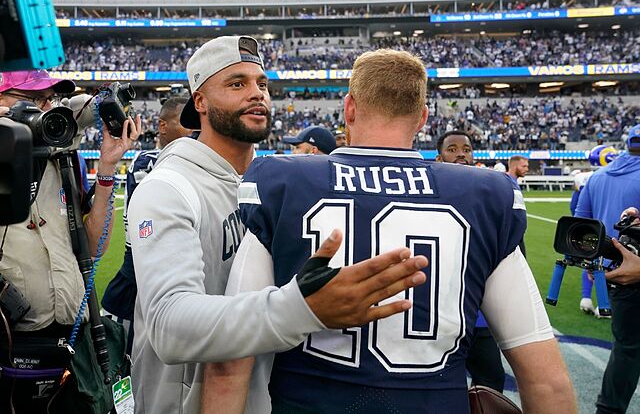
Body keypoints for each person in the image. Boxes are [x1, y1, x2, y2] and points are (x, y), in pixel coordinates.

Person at [207, 49, 576, 413]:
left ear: (349, 109)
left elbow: (230, 361)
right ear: (422, 118)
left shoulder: (283, 182)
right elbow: (546, 380)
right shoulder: (485, 196)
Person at [127, 36, 427, 414]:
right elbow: (170, 327)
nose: (257, 94)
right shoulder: (168, 188)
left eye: (262, 84)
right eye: (237, 84)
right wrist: (302, 308)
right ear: (199, 102)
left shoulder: (271, 183)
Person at [0, 69, 141, 413]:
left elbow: (94, 250)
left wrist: (107, 168)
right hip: (8, 343)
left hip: (70, 342)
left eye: (50, 99)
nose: (46, 109)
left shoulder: (64, 157)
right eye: (33, 99)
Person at [101, 97, 191, 354]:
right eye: (186, 123)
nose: (195, 130)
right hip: (138, 281)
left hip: (162, 284)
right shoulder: (147, 163)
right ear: (163, 126)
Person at [575, 125, 640, 414]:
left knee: (625, 350)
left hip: (614, 273)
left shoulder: (597, 177)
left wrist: (593, 261)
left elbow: (580, 224)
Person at [435, 130, 506, 393]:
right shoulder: (427, 193)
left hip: (478, 310)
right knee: (440, 383)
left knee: (491, 382)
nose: (461, 154)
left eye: (466, 149)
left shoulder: (489, 193)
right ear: (439, 157)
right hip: (440, 308)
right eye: (452, 149)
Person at [573, 145, 619, 315]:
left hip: (589, 227)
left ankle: (586, 298)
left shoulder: (589, 177)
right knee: (611, 265)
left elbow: (576, 206)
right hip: (611, 228)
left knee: (591, 263)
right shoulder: (617, 176)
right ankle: (604, 305)